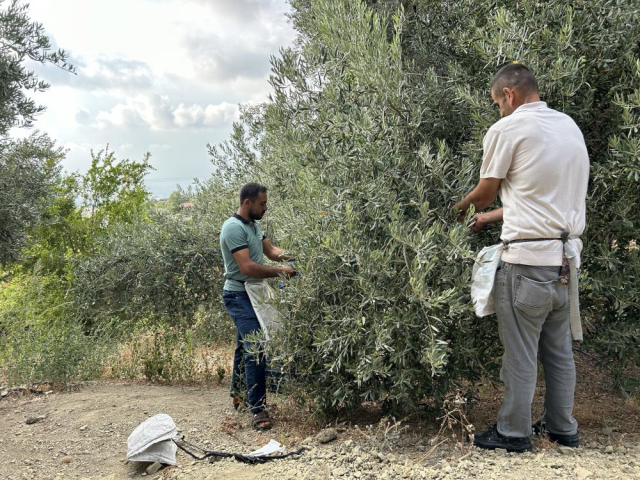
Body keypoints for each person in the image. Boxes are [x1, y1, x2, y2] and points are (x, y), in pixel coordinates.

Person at [455, 63, 589, 452]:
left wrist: (458, 210)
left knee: (520, 353)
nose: (498, 110)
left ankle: (513, 432)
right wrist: (494, 216)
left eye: (498, 103)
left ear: (509, 95)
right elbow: (539, 198)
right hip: (565, 261)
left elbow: (484, 193)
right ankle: (564, 428)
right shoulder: (568, 126)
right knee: (559, 352)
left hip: (527, 262)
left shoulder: (508, 128)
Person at [219, 182, 296, 430]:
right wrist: (281, 272)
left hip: (255, 293)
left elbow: (272, 250)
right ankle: (258, 409)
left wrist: (298, 254)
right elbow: (248, 267)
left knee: (245, 345)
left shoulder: (254, 225)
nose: (266, 208)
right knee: (256, 346)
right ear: (247, 203)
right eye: (262, 204)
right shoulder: (233, 228)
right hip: (238, 295)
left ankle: (238, 393)